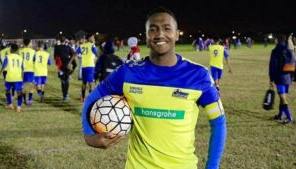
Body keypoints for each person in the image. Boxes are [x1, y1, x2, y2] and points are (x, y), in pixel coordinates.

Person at [82, 7, 226, 169]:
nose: (160, 34)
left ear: (177, 34)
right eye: (153, 29)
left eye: (167, 28)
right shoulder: (128, 72)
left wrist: (212, 166)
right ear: (146, 35)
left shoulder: (198, 75)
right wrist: (89, 135)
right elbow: (93, 98)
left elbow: (218, 122)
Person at [270, 34, 294, 124]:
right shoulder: (289, 50)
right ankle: (280, 115)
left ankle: (289, 118)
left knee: (283, 98)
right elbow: (293, 63)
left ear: (277, 40)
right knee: (282, 97)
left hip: (280, 78)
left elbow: (273, 66)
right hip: (288, 77)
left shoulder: (276, 51)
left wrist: (271, 79)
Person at [0, 44, 23, 112]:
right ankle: (19, 108)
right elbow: (22, 69)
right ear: (17, 50)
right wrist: (23, 77)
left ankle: (10, 104)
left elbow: (3, 67)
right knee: (19, 92)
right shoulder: (20, 58)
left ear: (11, 49)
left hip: (9, 77)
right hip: (18, 77)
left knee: (7, 91)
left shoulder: (8, 57)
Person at [76, 33, 98, 102]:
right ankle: (90, 99)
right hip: (91, 66)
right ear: (89, 38)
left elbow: (76, 53)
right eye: (93, 37)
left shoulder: (82, 46)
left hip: (84, 66)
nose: (94, 39)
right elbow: (97, 53)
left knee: (84, 82)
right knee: (90, 83)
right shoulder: (92, 45)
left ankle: (83, 97)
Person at [54, 36, 77, 101]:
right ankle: (66, 94)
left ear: (59, 41)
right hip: (67, 65)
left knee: (63, 81)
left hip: (60, 66)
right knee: (66, 81)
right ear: (65, 41)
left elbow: (55, 58)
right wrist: (70, 62)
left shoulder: (57, 48)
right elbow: (74, 54)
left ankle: (64, 95)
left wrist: (57, 67)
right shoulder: (68, 47)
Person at [19, 38, 36, 105]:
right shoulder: (33, 51)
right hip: (30, 70)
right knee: (31, 85)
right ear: (29, 43)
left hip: (22, 70)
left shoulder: (20, 51)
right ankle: (29, 100)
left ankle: (23, 99)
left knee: (23, 85)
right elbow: (35, 60)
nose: (31, 43)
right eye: (31, 42)